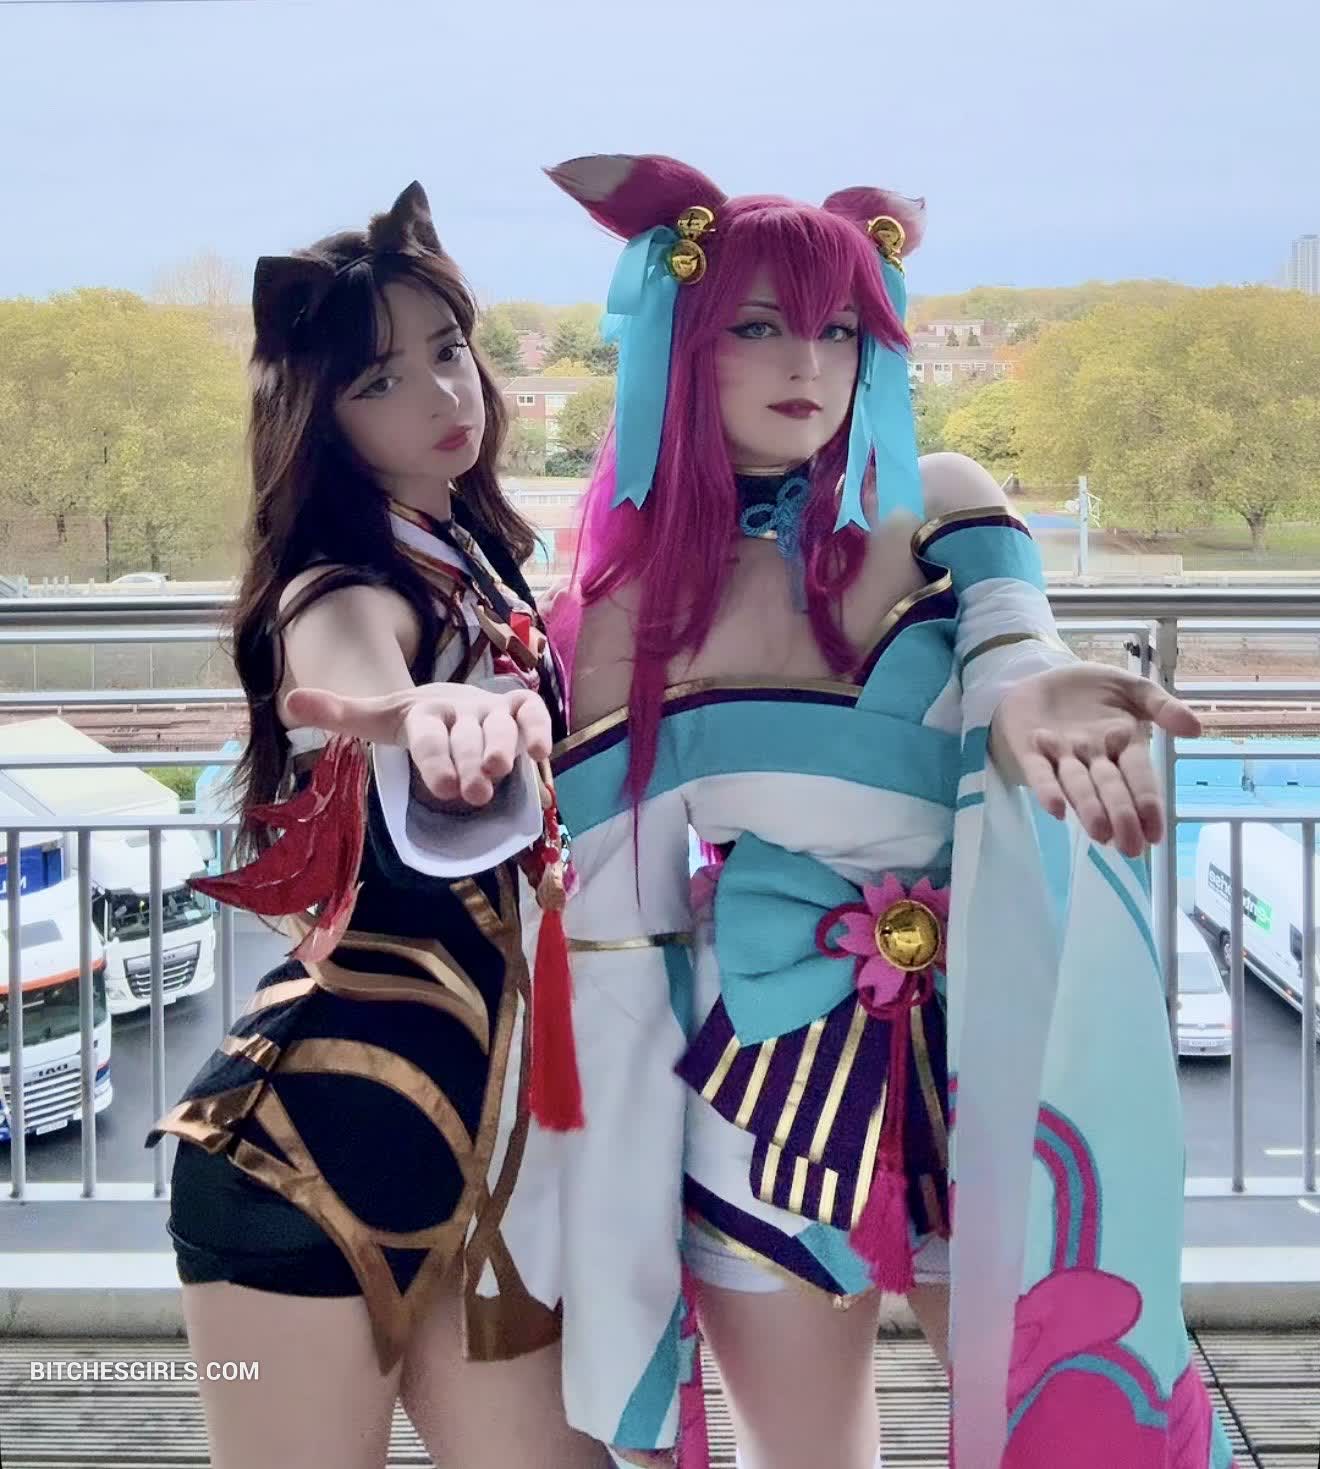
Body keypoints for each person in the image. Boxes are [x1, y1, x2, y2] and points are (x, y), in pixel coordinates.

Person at [542, 154, 1238, 1469]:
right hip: (759, 1080)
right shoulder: (627, 608)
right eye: (758, 325)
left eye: (839, 329)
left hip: (995, 1050)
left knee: (1072, 1423)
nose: (807, 362)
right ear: (682, 342)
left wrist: (1030, 700)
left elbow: (1015, 646)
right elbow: (619, 939)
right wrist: (612, 1229)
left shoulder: (943, 500)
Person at [147, 181, 607, 1469]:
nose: (443, 395)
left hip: (478, 1174)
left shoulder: (483, 564)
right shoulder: (343, 585)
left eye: (449, 351)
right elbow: (358, 666)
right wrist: (423, 714)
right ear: (320, 415)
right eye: (382, 381)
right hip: (296, 1168)